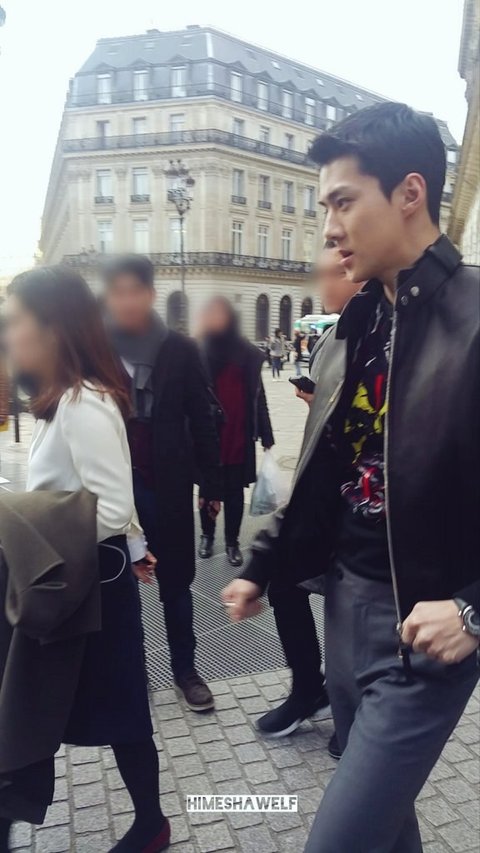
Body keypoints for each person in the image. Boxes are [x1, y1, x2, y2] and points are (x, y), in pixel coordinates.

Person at [222, 102, 480, 852]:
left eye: (342, 202)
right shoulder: (351, 331)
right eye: (323, 207)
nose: (329, 228)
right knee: (385, 826)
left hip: (424, 629)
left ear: (409, 193)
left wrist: (472, 610)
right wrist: (263, 563)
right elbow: (323, 472)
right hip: (345, 603)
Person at [2, 267, 169, 853]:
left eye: (15, 320)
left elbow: (112, 502)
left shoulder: (82, 402)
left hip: (84, 588)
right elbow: (105, 494)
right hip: (80, 580)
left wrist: (23, 521)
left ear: (52, 326)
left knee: (113, 711)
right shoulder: (63, 399)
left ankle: (151, 824)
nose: (7, 332)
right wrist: (137, 544)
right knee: (51, 704)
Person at [103, 255, 222, 713]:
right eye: (118, 292)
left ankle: (185, 670)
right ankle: (127, 674)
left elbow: (203, 418)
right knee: (116, 583)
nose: (127, 301)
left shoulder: (180, 349)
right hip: (112, 487)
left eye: (135, 291)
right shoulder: (94, 349)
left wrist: (211, 485)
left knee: (175, 582)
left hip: (166, 483)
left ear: (151, 294)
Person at [196, 296, 274, 567]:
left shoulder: (246, 353)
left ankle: (232, 541)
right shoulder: (200, 351)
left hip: (238, 434)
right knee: (207, 488)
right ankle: (207, 535)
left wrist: (267, 433)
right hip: (209, 434)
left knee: (234, 493)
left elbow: (258, 395)